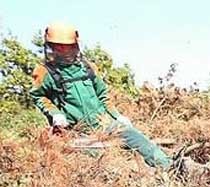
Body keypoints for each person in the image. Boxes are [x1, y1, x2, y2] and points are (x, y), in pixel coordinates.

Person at [30, 22, 171, 168]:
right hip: (76, 133)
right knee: (105, 162)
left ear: (74, 46)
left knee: (136, 138)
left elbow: (103, 94)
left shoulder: (88, 68)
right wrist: (55, 114)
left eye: (66, 46)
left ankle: (170, 167)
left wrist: (117, 116)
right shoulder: (44, 71)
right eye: (58, 46)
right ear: (51, 47)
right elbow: (38, 96)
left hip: (104, 124)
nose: (63, 50)